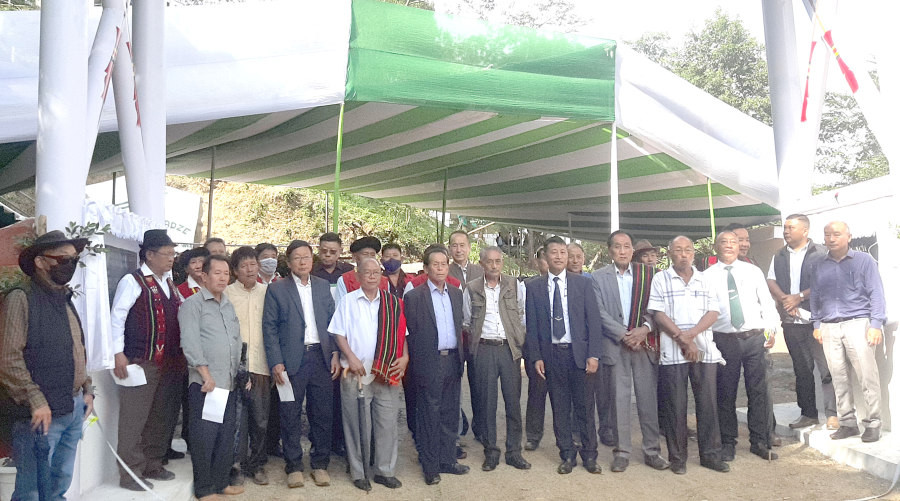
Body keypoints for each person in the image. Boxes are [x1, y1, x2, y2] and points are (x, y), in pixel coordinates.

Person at [0, 230, 93, 501]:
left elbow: (76, 349)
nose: (70, 265)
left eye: (74, 259)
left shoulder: (64, 298)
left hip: (73, 406)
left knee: (58, 483)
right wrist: (35, 400)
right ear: (40, 262)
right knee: (31, 489)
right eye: (62, 259)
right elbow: (8, 359)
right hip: (39, 414)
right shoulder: (21, 298)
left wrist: (87, 389)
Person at [110, 229, 185, 490]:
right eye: (167, 253)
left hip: (169, 363)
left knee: (161, 417)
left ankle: (153, 463)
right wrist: (118, 353)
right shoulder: (133, 281)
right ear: (149, 254)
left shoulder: (169, 283)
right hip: (142, 360)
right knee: (135, 419)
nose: (172, 258)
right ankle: (130, 474)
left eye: (173, 253)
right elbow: (117, 318)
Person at [648, 236, 729, 474]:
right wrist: (681, 338)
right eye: (678, 250)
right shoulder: (660, 279)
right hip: (672, 352)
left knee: (707, 404)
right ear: (670, 253)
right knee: (675, 406)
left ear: (693, 254)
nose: (683, 254)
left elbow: (713, 312)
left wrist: (691, 336)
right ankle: (678, 458)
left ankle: (711, 455)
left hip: (704, 350)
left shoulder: (705, 279)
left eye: (688, 250)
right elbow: (658, 313)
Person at [524, 236, 605, 475]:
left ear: (567, 257)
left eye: (562, 252)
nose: (559, 256)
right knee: (559, 407)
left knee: (585, 407)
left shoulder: (582, 284)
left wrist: (594, 355)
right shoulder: (534, 287)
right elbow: (533, 327)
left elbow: (594, 322)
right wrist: (537, 356)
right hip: (552, 356)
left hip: (579, 355)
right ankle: (567, 454)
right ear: (545, 257)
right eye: (554, 252)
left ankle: (590, 455)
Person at [591, 231, 669, 473]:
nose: (622, 251)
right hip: (616, 345)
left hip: (644, 344)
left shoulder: (648, 275)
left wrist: (644, 329)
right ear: (609, 250)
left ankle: (652, 451)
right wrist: (624, 334)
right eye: (617, 247)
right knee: (619, 401)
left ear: (632, 250)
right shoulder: (597, 277)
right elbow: (598, 311)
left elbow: (658, 306)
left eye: (627, 246)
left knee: (648, 399)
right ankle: (622, 452)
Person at [328, 258, 409, 491]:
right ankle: (359, 471)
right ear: (358, 275)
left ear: (382, 276)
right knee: (356, 424)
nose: (372, 276)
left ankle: (385, 470)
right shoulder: (348, 301)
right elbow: (338, 334)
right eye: (367, 272)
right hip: (356, 372)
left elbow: (402, 335)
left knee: (387, 424)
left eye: (376, 272)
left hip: (386, 372)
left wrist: (404, 358)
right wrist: (350, 358)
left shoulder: (393, 303)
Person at [262, 240, 339, 488]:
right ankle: (293, 465)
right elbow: (270, 329)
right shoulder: (277, 289)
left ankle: (320, 463)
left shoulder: (322, 286)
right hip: (291, 360)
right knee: (290, 413)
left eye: (306, 257)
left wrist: (336, 353)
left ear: (312, 259)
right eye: (297, 258)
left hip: (321, 357)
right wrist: (276, 361)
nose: (303, 261)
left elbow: (332, 322)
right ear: (288, 262)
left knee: (322, 413)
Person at [706, 231, 780, 461]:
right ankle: (728, 442)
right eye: (723, 242)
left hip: (754, 338)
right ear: (715, 247)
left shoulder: (752, 271)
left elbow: (765, 302)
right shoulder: (706, 276)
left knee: (758, 392)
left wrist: (772, 328)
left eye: (733, 242)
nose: (729, 246)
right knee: (725, 393)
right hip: (724, 340)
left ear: (740, 246)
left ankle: (759, 441)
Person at [811, 221, 886, 443]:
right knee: (838, 376)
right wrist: (816, 324)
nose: (831, 239)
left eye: (836, 234)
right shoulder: (819, 265)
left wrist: (876, 324)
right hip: (829, 326)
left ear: (849, 237)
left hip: (858, 323)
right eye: (827, 235)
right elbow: (815, 296)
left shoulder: (864, 261)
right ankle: (847, 423)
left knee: (867, 376)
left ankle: (873, 423)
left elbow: (876, 293)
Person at [178, 255, 245, 500]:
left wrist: (240, 371)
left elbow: (235, 340)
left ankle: (220, 483)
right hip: (207, 384)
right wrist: (205, 374)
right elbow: (190, 342)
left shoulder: (227, 304)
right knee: (205, 437)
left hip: (229, 381)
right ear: (204, 276)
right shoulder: (192, 305)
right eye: (217, 273)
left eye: (226, 273)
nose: (222, 277)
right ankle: (204, 489)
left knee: (225, 437)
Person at [462, 246, 531, 472]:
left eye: (498, 261)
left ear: (502, 263)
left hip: (508, 350)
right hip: (484, 349)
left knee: (513, 402)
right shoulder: (471, 288)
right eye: (489, 261)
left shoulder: (514, 285)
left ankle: (514, 452)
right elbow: (466, 320)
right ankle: (491, 451)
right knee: (487, 403)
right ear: (481, 264)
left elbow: (522, 314)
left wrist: (518, 338)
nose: (494, 265)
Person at [404, 244, 468, 485]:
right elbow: (409, 334)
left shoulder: (455, 293)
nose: (440, 268)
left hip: (452, 359)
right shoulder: (414, 297)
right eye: (435, 264)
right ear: (426, 268)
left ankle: (447, 460)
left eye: (444, 264)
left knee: (450, 413)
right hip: (428, 363)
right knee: (429, 415)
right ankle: (430, 466)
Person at [766, 214, 837, 430]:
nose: (786, 231)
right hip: (791, 321)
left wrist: (800, 297)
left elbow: (829, 282)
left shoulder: (822, 254)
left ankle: (833, 413)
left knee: (827, 368)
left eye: (791, 228)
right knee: (801, 369)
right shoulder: (778, 255)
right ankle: (808, 414)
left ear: (805, 231)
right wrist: (786, 300)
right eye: (785, 228)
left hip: (818, 320)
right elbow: (771, 280)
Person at [224, 247, 271, 485]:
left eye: (253, 264)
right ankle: (236, 466)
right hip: (235, 367)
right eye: (244, 266)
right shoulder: (227, 293)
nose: (250, 269)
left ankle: (258, 465)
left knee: (260, 420)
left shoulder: (268, 292)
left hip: (261, 364)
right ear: (235, 271)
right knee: (236, 420)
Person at [447, 230, 484, 447]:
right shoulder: (443, 269)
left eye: (462, 245)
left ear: (469, 247)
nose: (458, 249)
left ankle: (480, 426)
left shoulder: (481, 270)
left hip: (478, 336)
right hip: (454, 336)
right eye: (454, 245)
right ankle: (456, 428)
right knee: (453, 383)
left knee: (480, 383)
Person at [523, 247, 549, 451]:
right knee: (536, 393)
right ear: (539, 261)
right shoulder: (529, 286)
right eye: (545, 258)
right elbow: (527, 322)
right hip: (537, 347)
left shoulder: (572, 284)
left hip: (562, 349)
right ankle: (533, 434)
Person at [336, 236, 389, 305]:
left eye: (372, 255)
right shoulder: (344, 280)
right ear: (355, 257)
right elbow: (340, 307)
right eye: (365, 254)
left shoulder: (384, 281)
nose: (369, 258)